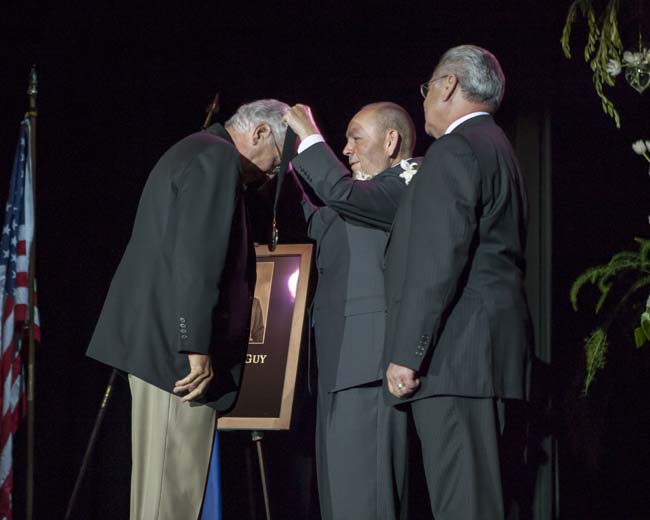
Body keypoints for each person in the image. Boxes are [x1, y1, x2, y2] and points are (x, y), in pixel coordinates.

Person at [86, 99, 289, 520]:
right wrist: (195, 345)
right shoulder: (217, 158)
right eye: (276, 163)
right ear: (260, 133)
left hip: (158, 345)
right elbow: (197, 259)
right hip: (176, 358)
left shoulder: (196, 149)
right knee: (172, 495)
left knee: (159, 497)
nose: (272, 175)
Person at [383, 45, 533, 519]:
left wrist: (407, 353)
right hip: (490, 360)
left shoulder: (455, 149)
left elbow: (437, 261)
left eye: (428, 87)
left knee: (464, 505)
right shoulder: (499, 147)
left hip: (458, 360)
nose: (425, 99)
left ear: (448, 85)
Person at [283, 101, 419, 520]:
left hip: (367, 368)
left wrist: (309, 135)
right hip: (337, 365)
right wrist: (285, 165)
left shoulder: (411, 180)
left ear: (391, 141)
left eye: (356, 138)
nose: (346, 150)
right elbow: (320, 218)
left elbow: (342, 194)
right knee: (340, 500)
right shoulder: (360, 199)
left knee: (366, 500)